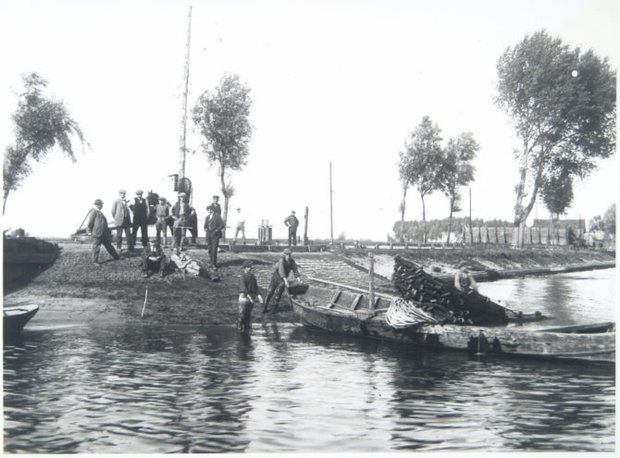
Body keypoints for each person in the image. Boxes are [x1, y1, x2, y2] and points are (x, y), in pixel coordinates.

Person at [263, 248, 302, 313]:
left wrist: (299, 279)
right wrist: (285, 280)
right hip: (276, 277)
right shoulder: (281, 261)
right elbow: (281, 270)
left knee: (278, 293)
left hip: (283, 279)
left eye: (289, 255)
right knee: (270, 292)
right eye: (287, 255)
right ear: (284, 254)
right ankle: (265, 307)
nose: (288, 256)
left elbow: (295, 270)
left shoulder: (292, 261)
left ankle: (274, 308)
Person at [87, 199, 120, 265]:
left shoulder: (99, 212)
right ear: (97, 205)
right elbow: (90, 223)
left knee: (109, 246)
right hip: (97, 233)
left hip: (103, 233)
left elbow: (103, 223)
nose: (102, 206)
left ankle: (116, 257)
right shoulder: (93, 212)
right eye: (101, 204)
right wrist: (89, 231)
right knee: (96, 248)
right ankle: (95, 261)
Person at [238, 260, 263, 333]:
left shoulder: (252, 276)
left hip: (251, 297)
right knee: (242, 314)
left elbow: (256, 287)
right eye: (249, 267)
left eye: (250, 267)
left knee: (248, 314)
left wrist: (259, 296)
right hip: (244, 298)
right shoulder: (242, 277)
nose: (250, 268)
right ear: (245, 268)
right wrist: (250, 298)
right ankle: (239, 327)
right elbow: (244, 289)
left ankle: (247, 327)